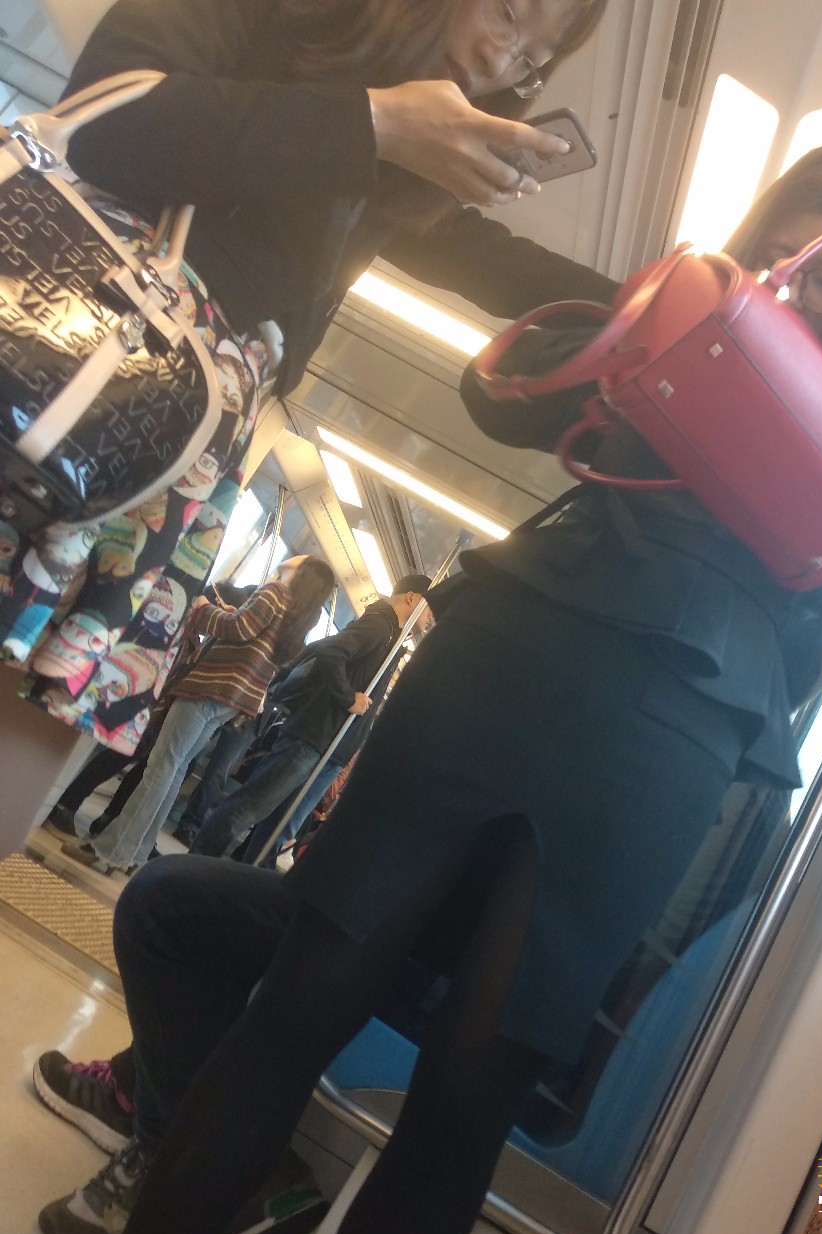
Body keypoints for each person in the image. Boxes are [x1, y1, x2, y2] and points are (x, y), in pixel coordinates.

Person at [75, 143, 822, 1234]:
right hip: (528, 662)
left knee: (465, 1097)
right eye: (781, 254)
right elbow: (502, 395)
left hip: (659, 725)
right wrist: (655, 323)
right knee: (298, 1008)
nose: (796, 288)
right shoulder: (693, 312)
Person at [32, 579, 822, 1234]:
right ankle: (143, 1091)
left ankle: (189, 1155)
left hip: (460, 993)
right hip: (510, 1009)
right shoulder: (745, 802)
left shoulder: (656, 759)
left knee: (169, 910)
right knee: (238, 918)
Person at [4, 0, 614, 751]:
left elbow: (478, 253)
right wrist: (373, 123)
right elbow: (110, 114)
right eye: (509, 14)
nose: (500, 59)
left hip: (188, 433)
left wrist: (639, 302)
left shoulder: (390, 161)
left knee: (40, 721)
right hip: (71, 346)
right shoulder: (295, 28)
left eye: (531, 63)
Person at [61, 555, 335, 874]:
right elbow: (255, 637)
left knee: (161, 766)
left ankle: (110, 850)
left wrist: (204, 608)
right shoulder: (299, 617)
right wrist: (233, 615)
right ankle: (136, 853)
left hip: (212, 685)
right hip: (235, 699)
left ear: (303, 571)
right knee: (175, 770)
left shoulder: (275, 593)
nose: (295, 556)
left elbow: (236, 629)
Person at [191, 575, 433, 863]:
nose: (432, 616)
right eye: (430, 605)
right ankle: (196, 862)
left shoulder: (393, 637)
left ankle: (243, 875)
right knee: (253, 804)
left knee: (279, 826)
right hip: (314, 736)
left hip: (333, 747)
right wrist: (348, 697)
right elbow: (333, 651)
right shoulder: (380, 625)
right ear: (411, 597)